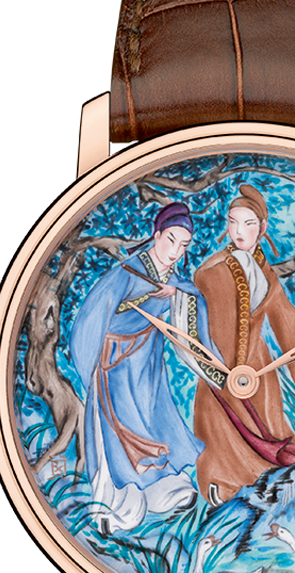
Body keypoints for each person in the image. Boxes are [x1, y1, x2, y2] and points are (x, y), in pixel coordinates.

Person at [193, 184, 295, 506]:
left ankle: (269, 487)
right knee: (222, 428)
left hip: (258, 365)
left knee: (269, 425)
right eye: (233, 222)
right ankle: (221, 485)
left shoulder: (264, 271)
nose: (238, 231)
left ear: (262, 227)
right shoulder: (214, 270)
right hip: (221, 366)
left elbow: (284, 315)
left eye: (248, 223)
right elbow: (204, 302)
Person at [70, 201, 222, 532]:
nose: (175, 252)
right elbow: (90, 319)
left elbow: (192, 298)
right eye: (171, 240)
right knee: (120, 432)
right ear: (156, 235)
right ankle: (118, 508)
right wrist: (91, 366)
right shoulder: (126, 273)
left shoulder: (173, 279)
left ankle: (164, 491)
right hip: (115, 365)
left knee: (157, 422)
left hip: (149, 364)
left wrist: (176, 293)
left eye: (184, 245)